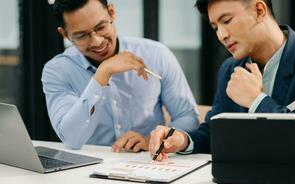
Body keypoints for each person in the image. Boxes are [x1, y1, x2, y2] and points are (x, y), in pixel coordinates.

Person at [149, 0, 295, 165]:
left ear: (259, 10)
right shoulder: (230, 69)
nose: (221, 35)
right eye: (215, 27)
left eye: (227, 21)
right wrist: (183, 140)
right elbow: (215, 134)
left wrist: (257, 100)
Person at [42, 0, 199, 151]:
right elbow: (71, 139)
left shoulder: (156, 55)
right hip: (88, 171)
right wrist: (102, 74)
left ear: (112, 12)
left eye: (101, 27)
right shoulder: (57, 70)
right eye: (81, 35)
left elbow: (188, 118)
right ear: (64, 34)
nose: (97, 41)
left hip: (148, 162)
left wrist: (153, 139)